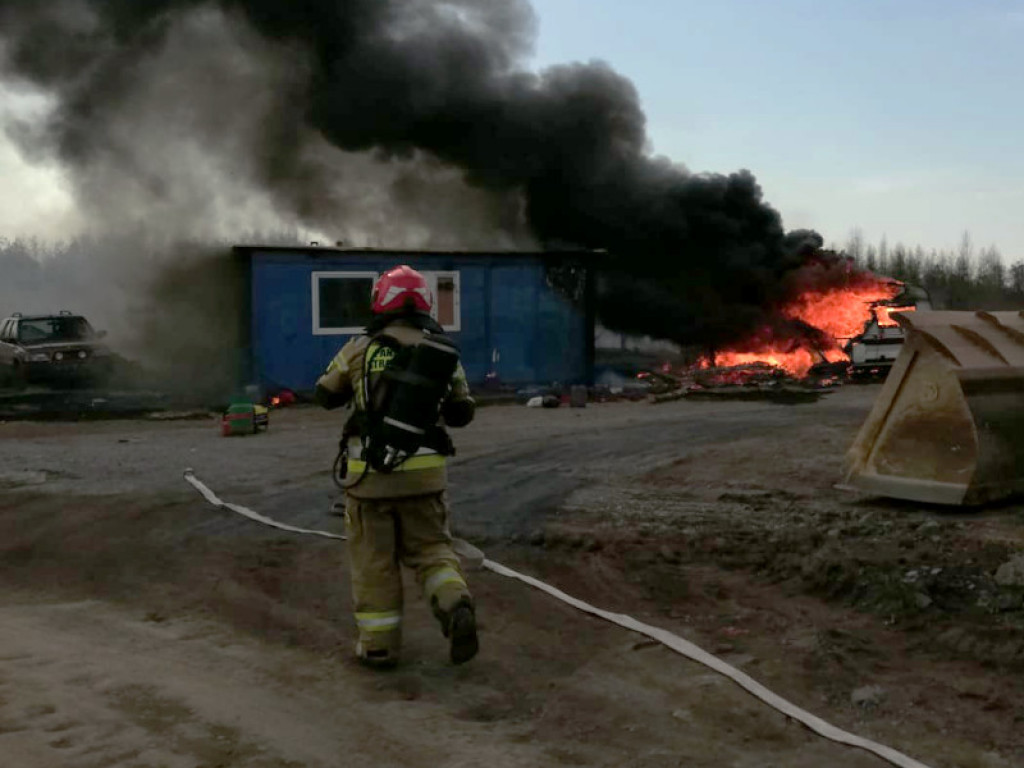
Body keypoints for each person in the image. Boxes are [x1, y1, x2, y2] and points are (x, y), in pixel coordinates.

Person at [315, 265, 478, 668]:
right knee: (432, 550)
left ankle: (378, 646)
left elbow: (324, 394)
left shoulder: (359, 347)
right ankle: (455, 601)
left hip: (371, 480)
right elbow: (462, 412)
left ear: (380, 300)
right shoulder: (442, 352)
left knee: (375, 562)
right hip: (426, 478)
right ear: (423, 300)